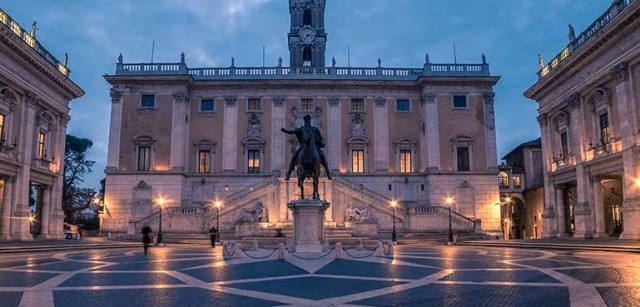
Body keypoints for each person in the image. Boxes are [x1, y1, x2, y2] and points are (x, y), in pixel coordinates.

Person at [280, 114, 332, 180]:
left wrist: (322, 142)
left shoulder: (315, 129)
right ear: (304, 121)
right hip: (302, 147)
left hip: (315, 147)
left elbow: (320, 138)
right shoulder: (301, 129)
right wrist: (285, 131)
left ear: (310, 120)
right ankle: (288, 174)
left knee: (323, 156)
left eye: (308, 120)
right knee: (294, 156)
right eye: (305, 120)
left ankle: (328, 173)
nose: (307, 121)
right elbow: (292, 132)